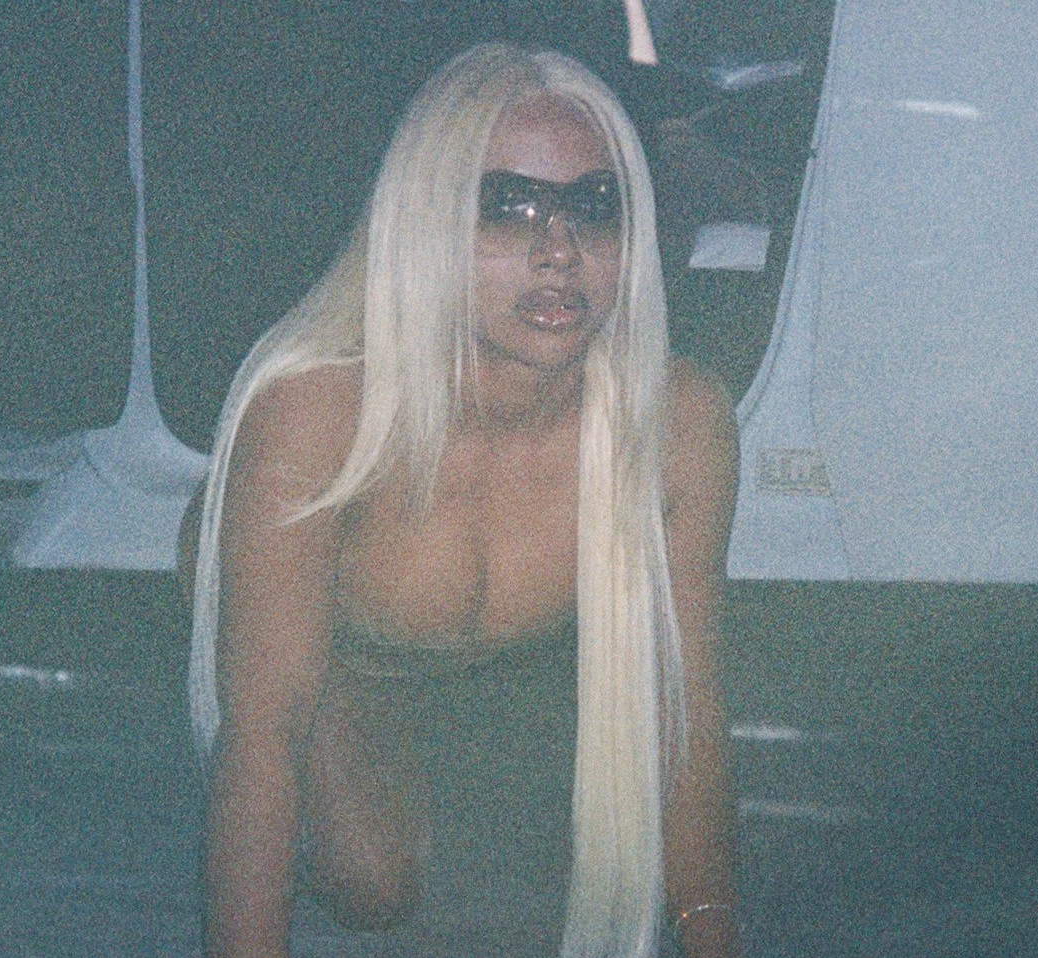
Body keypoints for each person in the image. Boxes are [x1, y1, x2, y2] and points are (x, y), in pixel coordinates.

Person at [181, 43, 740, 958]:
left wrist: (712, 936)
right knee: (374, 885)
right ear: (426, 221)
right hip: (345, 648)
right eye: (506, 206)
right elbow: (263, 734)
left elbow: (685, 707)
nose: (557, 252)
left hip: (498, 664)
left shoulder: (679, 422)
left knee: (525, 883)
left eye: (593, 206)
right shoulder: (316, 410)